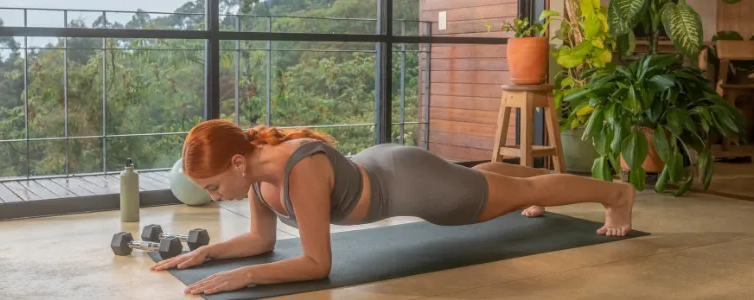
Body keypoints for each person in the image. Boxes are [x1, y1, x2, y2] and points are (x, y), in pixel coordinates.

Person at [151, 119, 635, 295]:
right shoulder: (256, 174)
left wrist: (249, 276)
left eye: (214, 187)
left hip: (419, 187)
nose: (215, 198)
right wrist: (210, 254)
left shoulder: (299, 169)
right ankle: (493, 174)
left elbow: (318, 265)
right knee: (484, 176)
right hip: (389, 164)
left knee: (510, 196)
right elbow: (262, 241)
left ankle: (615, 194)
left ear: (236, 162)